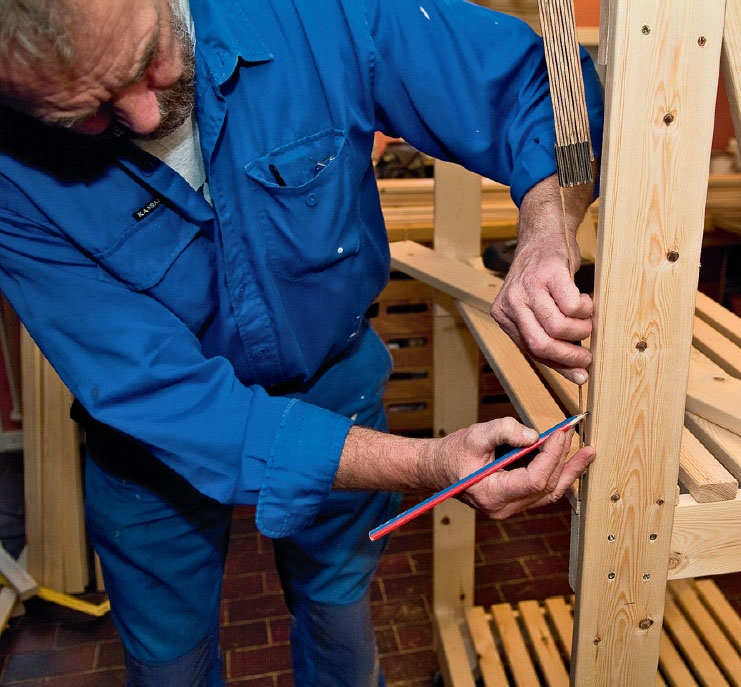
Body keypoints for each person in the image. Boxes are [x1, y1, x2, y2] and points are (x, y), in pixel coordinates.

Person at [0, 0, 603, 685]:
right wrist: (423, 463)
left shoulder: (315, 11)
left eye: (147, 60)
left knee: (339, 621)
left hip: (333, 381)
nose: (140, 117)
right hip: (151, 441)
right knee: (169, 663)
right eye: (82, 113)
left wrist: (547, 229)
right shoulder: (12, 176)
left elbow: (540, 84)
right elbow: (165, 398)